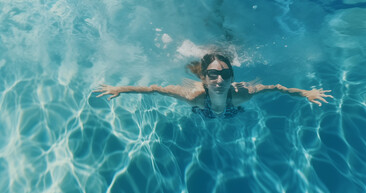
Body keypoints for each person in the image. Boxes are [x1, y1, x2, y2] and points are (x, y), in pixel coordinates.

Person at [94, 53, 333, 118]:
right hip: (205, 109)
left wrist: (305, 93)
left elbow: (277, 87)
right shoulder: (194, 97)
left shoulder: (243, 95)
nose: (220, 80)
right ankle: (197, 61)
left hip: (229, 109)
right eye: (212, 75)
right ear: (204, 79)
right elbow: (155, 88)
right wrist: (120, 89)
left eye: (226, 74)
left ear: (232, 76)